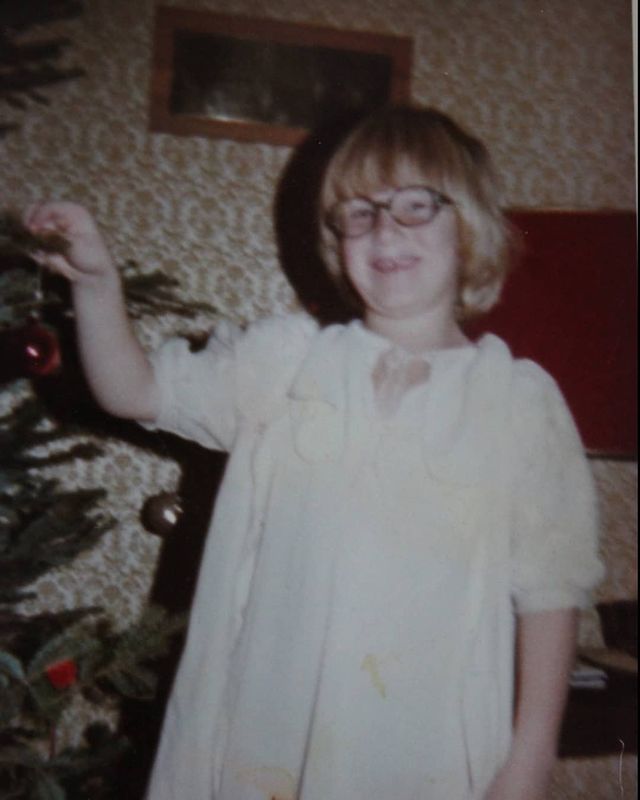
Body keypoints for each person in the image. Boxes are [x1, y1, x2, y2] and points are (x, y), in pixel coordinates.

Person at [25, 105, 603, 800]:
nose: (385, 228)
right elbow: (133, 391)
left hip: (424, 750)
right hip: (271, 741)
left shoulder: (517, 403)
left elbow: (551, 591)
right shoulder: (283, 363)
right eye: (359, 211)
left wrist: (531, 758)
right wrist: (95, 285)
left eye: (414, 205)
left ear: (469, 225)